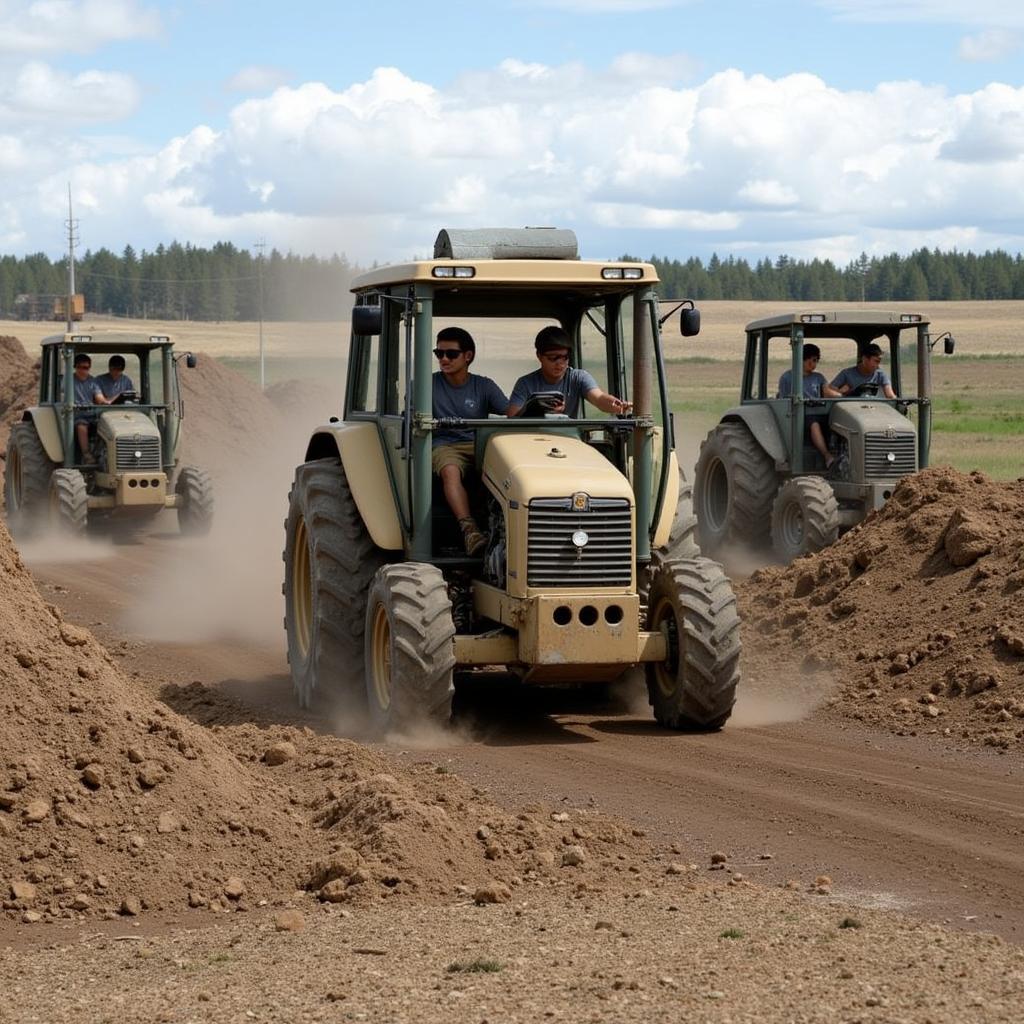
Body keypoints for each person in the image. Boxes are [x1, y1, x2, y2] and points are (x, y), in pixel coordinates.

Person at [431, 326, 509, 555]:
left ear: (468, 356)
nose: (444, 359)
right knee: (450, 471)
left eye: (451, 354)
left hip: (477, 444)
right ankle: (470, 531)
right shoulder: (427, 385)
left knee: (508, 467)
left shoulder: (483, 386)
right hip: (443, 444)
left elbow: (511, 413)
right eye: (439, 354)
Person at [507, 326, 632, 418]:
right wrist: (535, 410)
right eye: (553, 358)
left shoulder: (578, 378)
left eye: (564, 357)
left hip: (570, 440)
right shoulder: (525, 383)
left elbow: (598, 398)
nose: (560, 364)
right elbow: (511, 418)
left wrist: (614, 404)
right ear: (539, 356)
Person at [778, 343, 834, 470]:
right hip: (799, 416)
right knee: (814, 424)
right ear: (803, 359)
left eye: (817, 361)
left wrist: (843, 395)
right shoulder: (787, 378)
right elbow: (784, 401)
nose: (815, 364)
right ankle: (827, 456)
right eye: (813, 360)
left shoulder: (818, 377)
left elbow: (827, 392)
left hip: (820, 412)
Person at [71, 353, 113, 464]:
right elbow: (61, 395)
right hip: (75, 415)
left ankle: (107, 456)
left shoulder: (93, 382)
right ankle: (86, 454)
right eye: (81, 367)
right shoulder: (68, 381)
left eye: (86, 368)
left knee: (107, 424)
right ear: (75, 367)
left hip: (91, 414)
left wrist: (105, 402)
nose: (83, 371)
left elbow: (99, 397)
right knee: (81, 425)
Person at [825, 342, 897, 400]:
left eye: (879, 362)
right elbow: (829, 393)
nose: (877, 366)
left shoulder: (880, 375)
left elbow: (890, 395)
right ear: (865, 359)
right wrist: (842, 393)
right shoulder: (846, 374)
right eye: (876, 361)